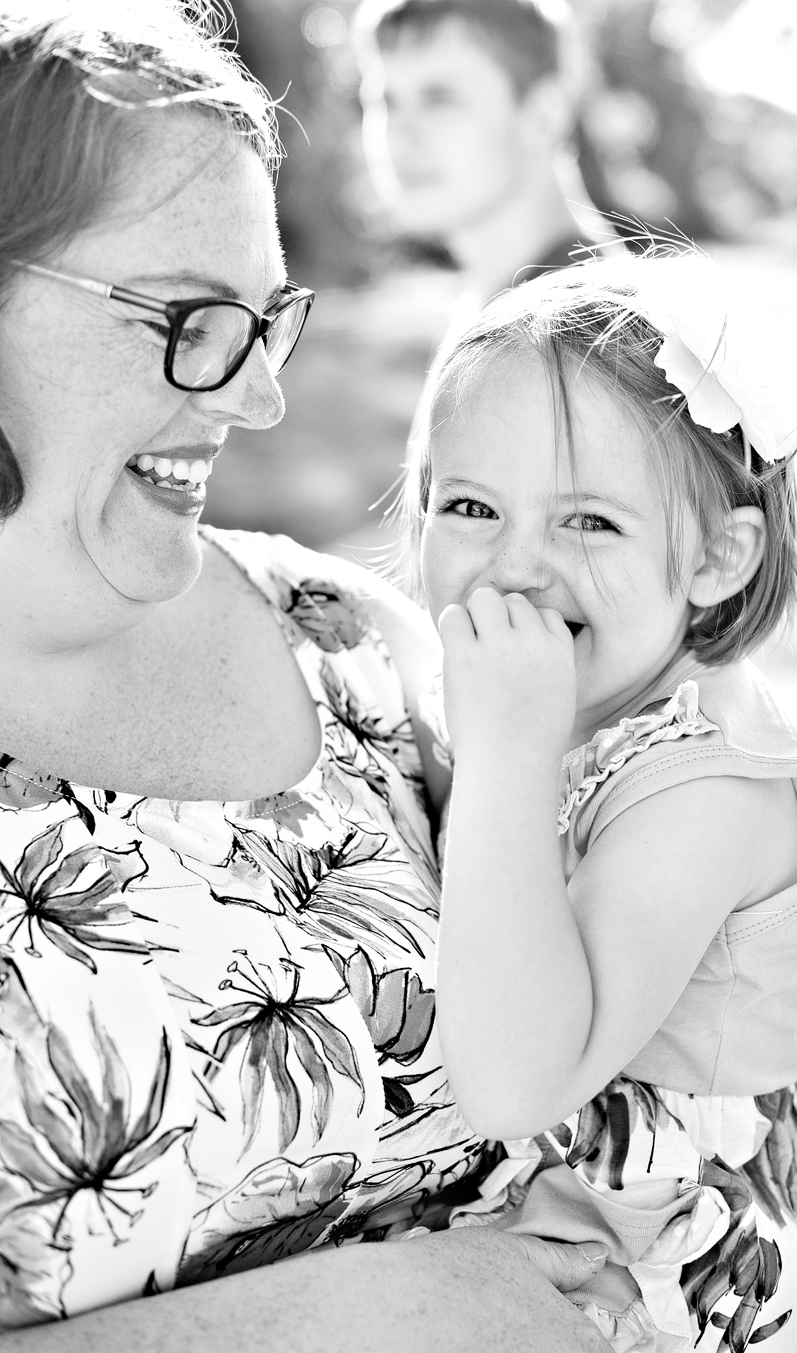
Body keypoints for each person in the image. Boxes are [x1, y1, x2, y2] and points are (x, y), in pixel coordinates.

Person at [0, 3, 614, 1347]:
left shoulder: (359, 644)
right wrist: (379, 1311)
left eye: (267, 317)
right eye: (188, 316)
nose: (257, 397)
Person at [404, 253, 797, 1350]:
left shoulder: (706, 796)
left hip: (663, 1250)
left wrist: (505, 756)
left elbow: (521, 1082)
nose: (516, 569)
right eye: (472, 506)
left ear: (715, 560)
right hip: (559, 1179)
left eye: (589, 523)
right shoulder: (567, 689)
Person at [353, 0, 623, 346]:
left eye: (439, 99)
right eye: (386, 101)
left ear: (544, 116)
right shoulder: (493, 308)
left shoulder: (580, 334)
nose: (402, 134)